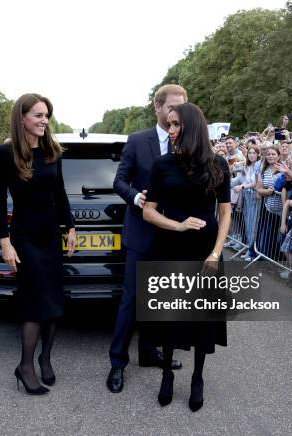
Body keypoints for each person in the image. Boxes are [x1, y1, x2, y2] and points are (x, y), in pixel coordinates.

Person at [142, 102, 231, 411]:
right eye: (170, 125)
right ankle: (167, 373)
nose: (171, 130)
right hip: (170, 248)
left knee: (201, 320)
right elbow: (149, 211)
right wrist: (177, 226)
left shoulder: (219, 163)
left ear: (191, 127)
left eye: (176, 124)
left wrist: (216, 253)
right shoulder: (162, 165)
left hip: (205, 251)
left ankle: (197, 378)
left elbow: (225, 212)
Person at [0, 93, 76, 395]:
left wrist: (72, 228)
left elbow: (61, 192)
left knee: (53, 299)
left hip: (50, 234)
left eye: (46, 116)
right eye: (38, 115)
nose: (44, 121)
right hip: (24, 236)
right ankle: (25, 365)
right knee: (34, 300)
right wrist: (6, 243)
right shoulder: (5, 153)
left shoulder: (53, 150)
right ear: (23, 118)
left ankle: (46, 358)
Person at [107, 84, 187, 394]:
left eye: (181, 108)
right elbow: (119, 181)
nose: (175, 114)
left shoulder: (188, 142)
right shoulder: (139, 141)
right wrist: (136, 199)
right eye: (171, 107)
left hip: (174, 236)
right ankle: (117, 363)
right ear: (158, 107)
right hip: (142, 232)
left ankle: (149, 353)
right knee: (132, 300)